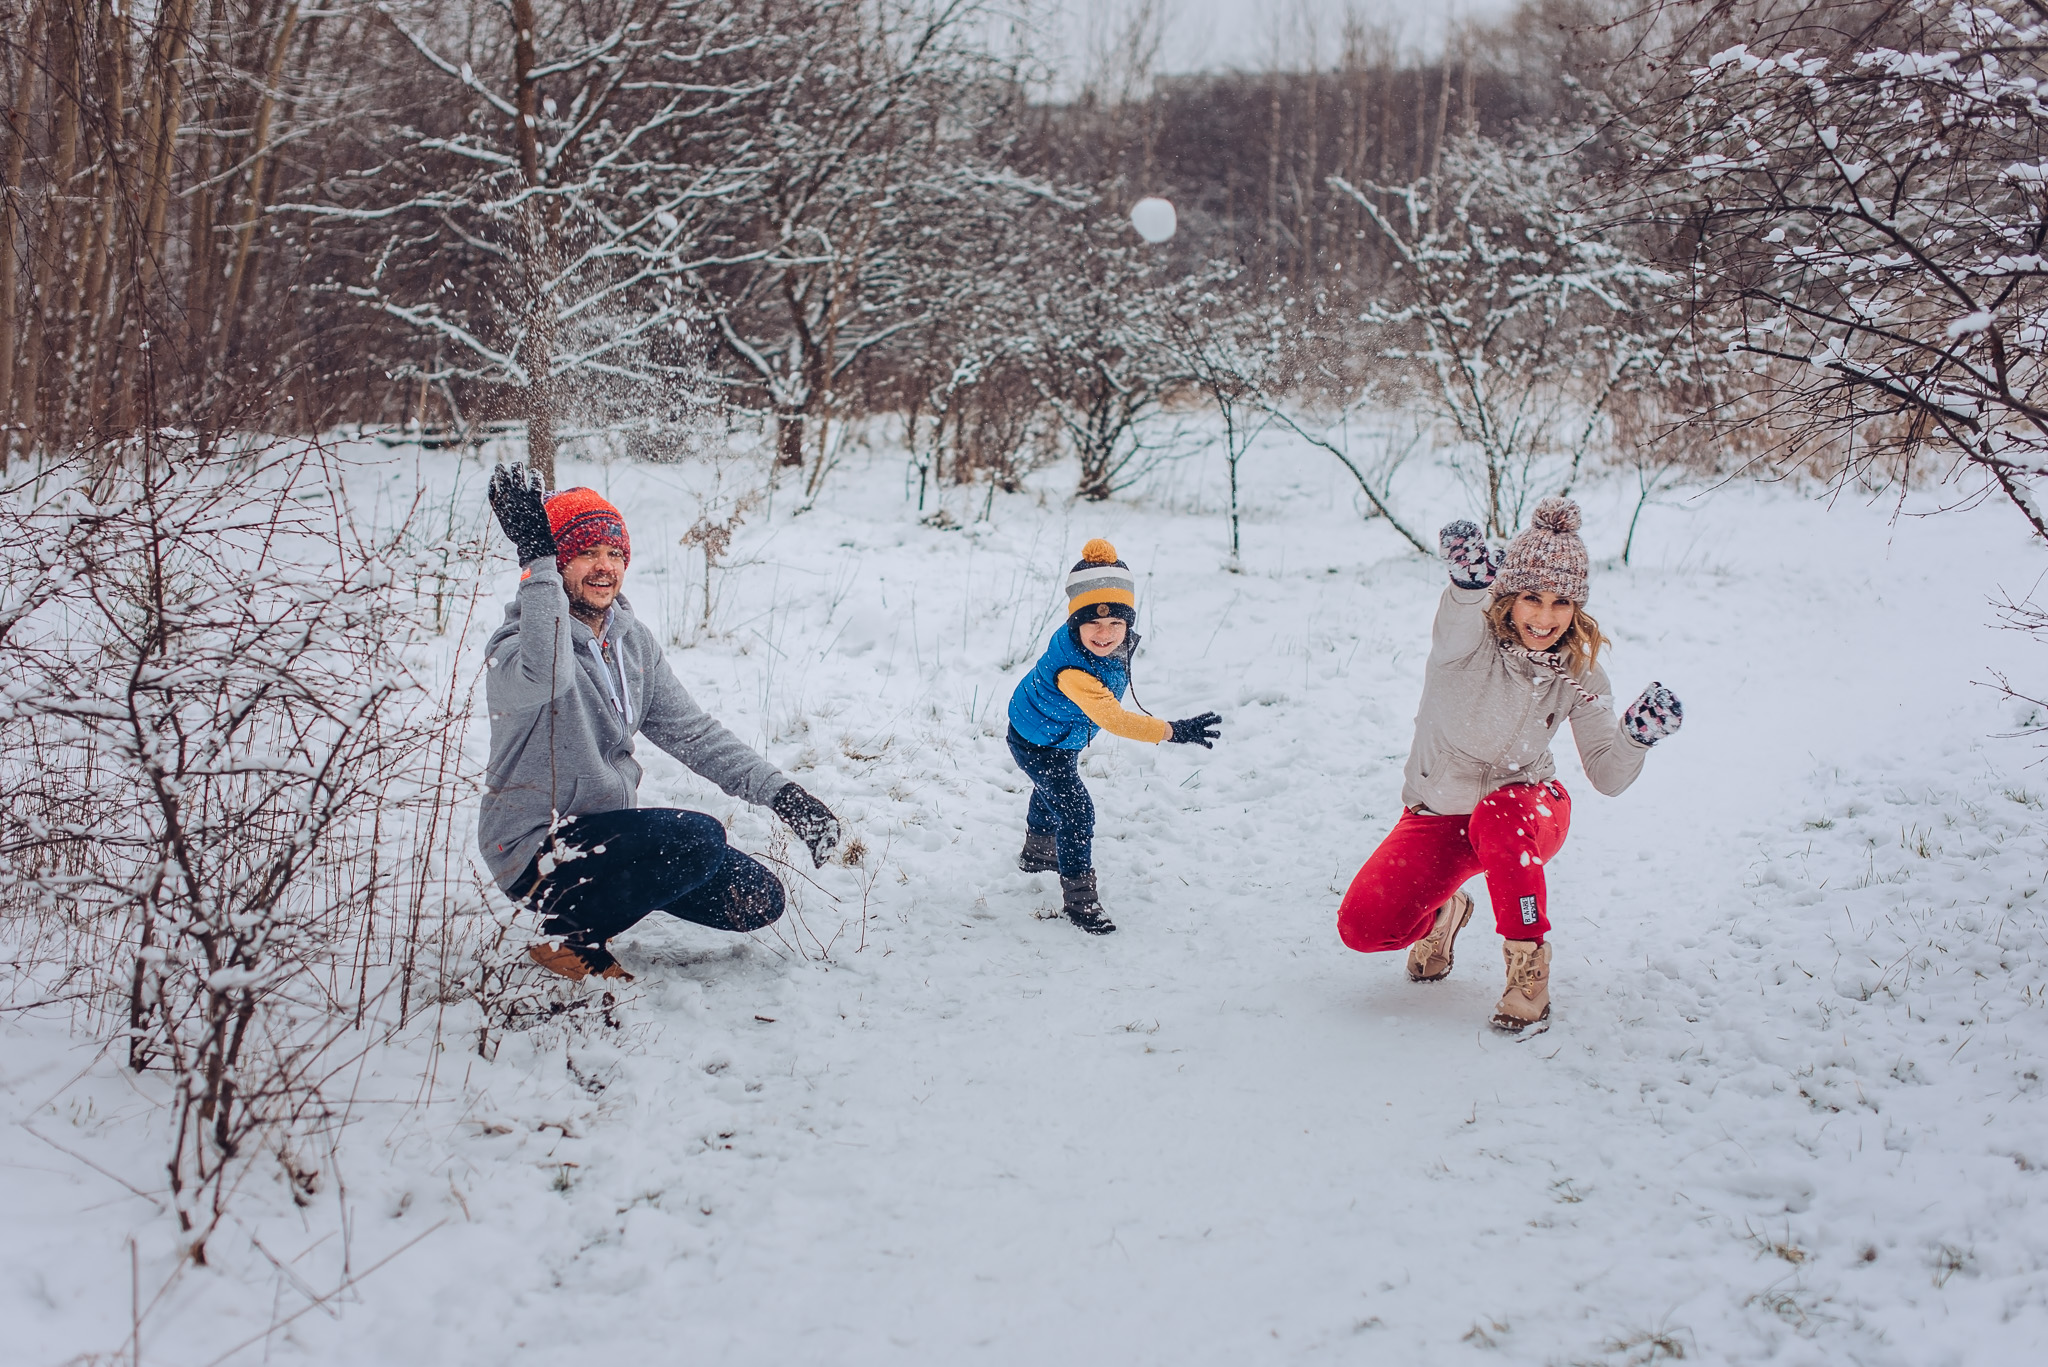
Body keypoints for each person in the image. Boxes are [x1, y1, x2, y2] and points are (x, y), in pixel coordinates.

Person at [478, 465, 842, 981]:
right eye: (584, 553)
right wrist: (534, 558)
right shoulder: (514, 648)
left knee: (755, 899)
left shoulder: (631, 642)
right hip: (536, 849)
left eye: (614, 553)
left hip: (604, 837)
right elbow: (549, 672)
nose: (604, 567)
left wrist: (784, 795)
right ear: (556, 564)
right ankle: (568, 941)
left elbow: (693, 732)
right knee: (696, 837)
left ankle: (600, 906)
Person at [1334, 498, 1684, 1031]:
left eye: (1561, 603)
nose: (1545, 618)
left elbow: (1608, 777)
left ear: (1578, 607)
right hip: (1443, 814)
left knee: (1500, 814)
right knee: (1364, 928)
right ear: (1508, 597)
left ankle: (1528, 974)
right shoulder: (1467, 641)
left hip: (1528, 811)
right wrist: (1469, 584)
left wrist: (1635, 738)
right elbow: (1460, 609)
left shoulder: (1580, 673)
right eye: (1532, 599)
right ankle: (1446, 913)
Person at [1006, 539, 1224, 934]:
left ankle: (1037, 854)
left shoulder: (1102, 643)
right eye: (1094, 623)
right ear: (1077, 622)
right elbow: (1117, 720)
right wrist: (1174, 731)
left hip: (1060, 731)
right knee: (1074, 809)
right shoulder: (1074, 672)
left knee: (1052, 787)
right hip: (1035, 738)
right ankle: (1080, 902)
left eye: (1116, 624)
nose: (1105, 634)